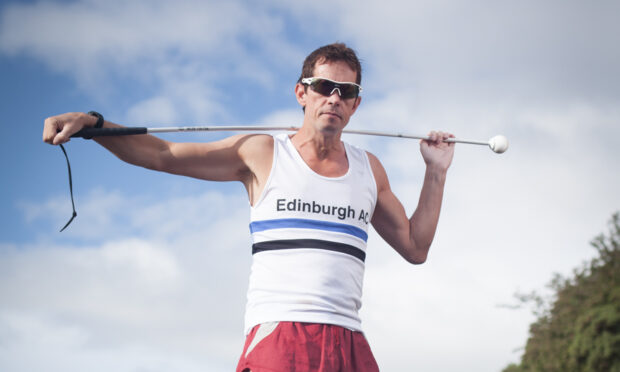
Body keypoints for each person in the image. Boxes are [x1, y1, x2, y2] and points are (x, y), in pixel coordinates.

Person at [43, 43, 455, 372]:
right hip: (280, 336)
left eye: (346, 91)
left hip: (348, 340)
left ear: (355, 104)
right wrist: (94, 124)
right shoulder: (263, 152)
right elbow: (164, 154)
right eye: (323, 86)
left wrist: (435, 172)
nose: (334, 97)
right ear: (301, 92)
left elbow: (415, 248)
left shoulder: (370, 170)